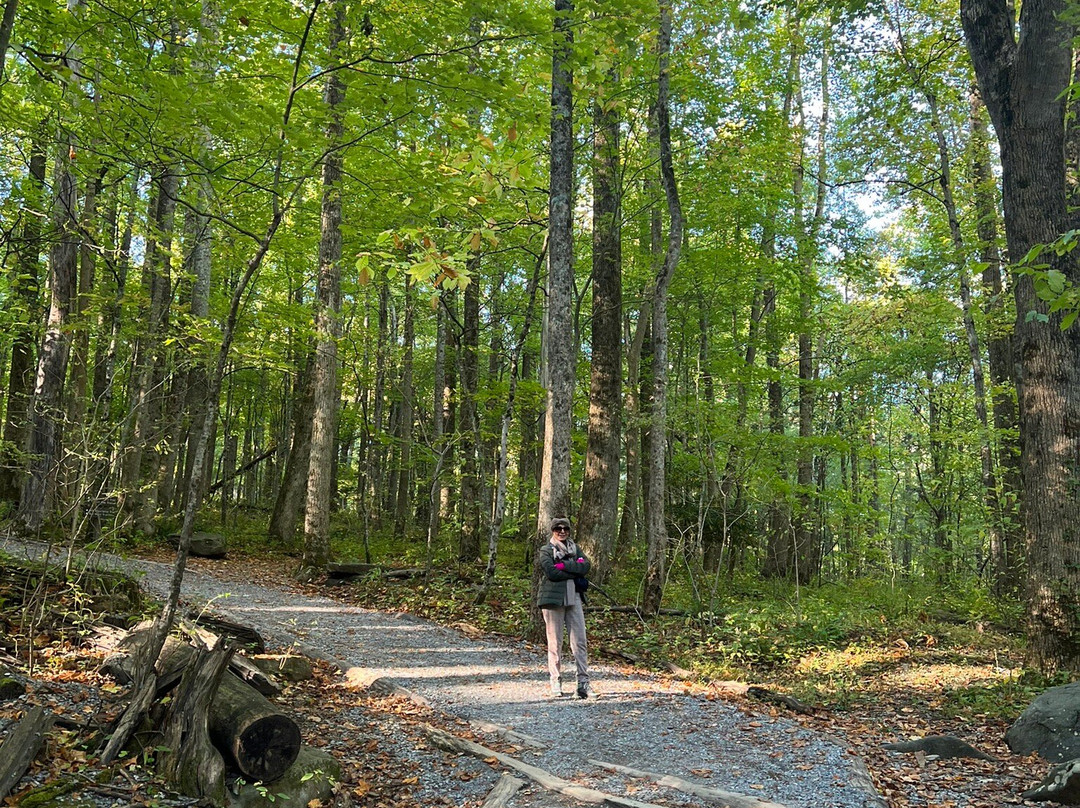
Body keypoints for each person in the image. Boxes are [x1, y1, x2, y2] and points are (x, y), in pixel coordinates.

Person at [536, 516, 593, 698]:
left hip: (574, 597)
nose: (562, 531)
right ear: (552, 530)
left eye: (565, 528)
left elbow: (587, 567)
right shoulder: (546, 550)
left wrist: (564, 565)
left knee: (580, 641)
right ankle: (555, 680)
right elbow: (551, 572)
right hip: (553, 600)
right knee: (555, 643)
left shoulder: (575, 548)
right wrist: (575, 568)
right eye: (558, 528)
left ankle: (583, 683)